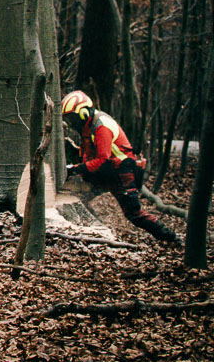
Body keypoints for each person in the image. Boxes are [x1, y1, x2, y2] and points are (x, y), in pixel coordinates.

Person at [62, 90, 182, 246]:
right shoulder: (88, 126)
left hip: (122, 172)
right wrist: (79, 172)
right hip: (107, 172)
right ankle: (96, 229)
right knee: (80, 197)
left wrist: (76, 169)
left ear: (83, 113)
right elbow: (89, 155)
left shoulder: (101, 126)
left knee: (134, 214)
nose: (71, 123)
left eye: (72, 118)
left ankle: (171, 238)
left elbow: (102, 160)